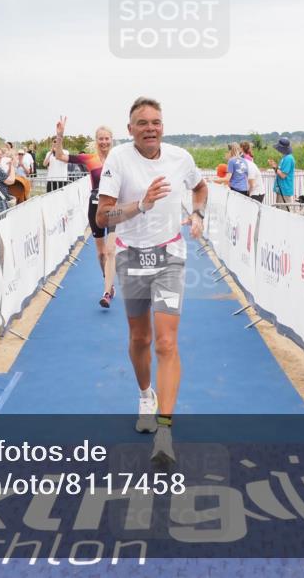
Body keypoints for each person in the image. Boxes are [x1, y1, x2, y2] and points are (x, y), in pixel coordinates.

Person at [96, 97, 207, 466]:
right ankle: (146, 394)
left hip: (169, 256)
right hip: (131, 256)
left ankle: (164, 430)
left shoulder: (180, 158)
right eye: (142, 123)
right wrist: (140, 205)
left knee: (165, 341)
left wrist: (197, 215)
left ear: (163, 126)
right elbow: (103, 217)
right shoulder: (118, 160)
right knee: (140, 337)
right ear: (130, 130)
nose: (150, 128)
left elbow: (200, 188)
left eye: (156, 122)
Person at [52, 118, 117, 308]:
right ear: (96, 140)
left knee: (111, 249)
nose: (104, 142)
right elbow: (59, 156)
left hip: (114, 207)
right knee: (101, 253)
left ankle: (106, 292)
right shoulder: (89, 159)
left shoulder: (119, 158)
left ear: (112, 139)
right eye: (100, 139)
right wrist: (60, 135)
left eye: (107, 138)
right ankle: (108, 279)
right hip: (95, 207)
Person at [268, 137, 295, 209]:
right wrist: (275, 167)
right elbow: (280, 171)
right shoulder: (285, 157)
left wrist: (275, 167)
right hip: (281, 189)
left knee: (284, 213)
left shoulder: (288, 158)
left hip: (284, 190)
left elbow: (283, 175)